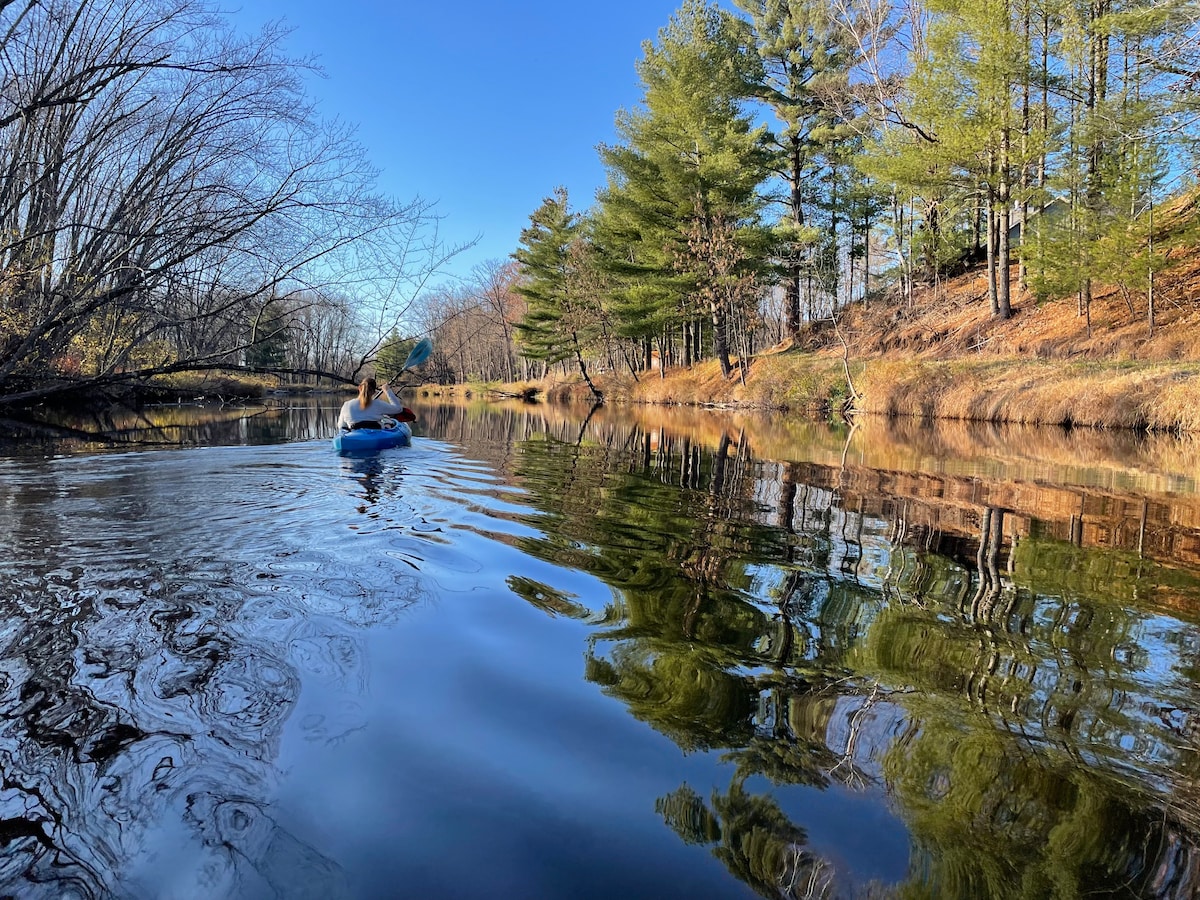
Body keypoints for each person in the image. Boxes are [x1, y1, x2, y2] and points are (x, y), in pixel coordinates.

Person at [336, 377, 416, 431]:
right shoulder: (378, 404)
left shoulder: (347, 405)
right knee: (388, 422)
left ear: (359, 388)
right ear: (374, 392)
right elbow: (398, 409)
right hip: (375, 433)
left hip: (355, 433)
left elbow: (341, 426)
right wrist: (387, 390)